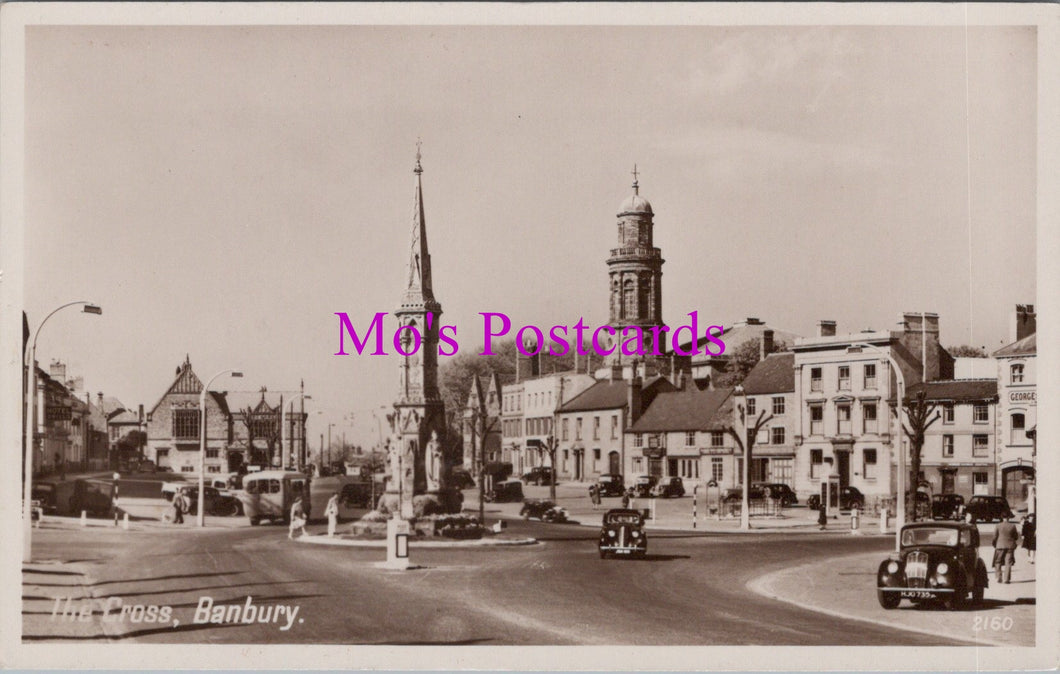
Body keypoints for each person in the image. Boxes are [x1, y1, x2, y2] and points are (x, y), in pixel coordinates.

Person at [992, 514, 1020, 583]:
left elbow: (995, 536)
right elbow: (1016, 537)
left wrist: (994, 544)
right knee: (1008, 562)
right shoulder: (1012, 526)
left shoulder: (998, 525)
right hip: (1010, 546)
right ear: (1008, 518)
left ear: (1002, 518)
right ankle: (1006, 579)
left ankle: (999, 577)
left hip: (1000, 546)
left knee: (998, 561)